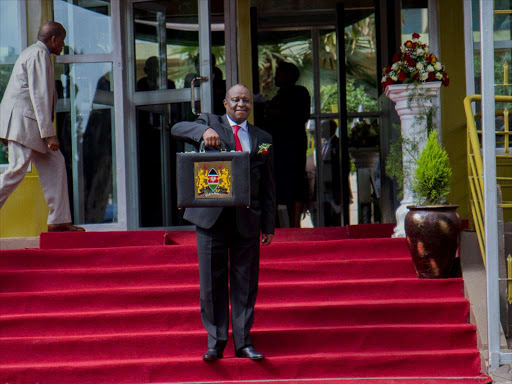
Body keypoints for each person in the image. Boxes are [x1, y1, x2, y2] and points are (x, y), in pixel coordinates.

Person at [171, 84, 275, 362]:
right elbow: (178, 128)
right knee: (211, 283)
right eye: (235, 99)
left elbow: (268, 184)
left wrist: (268, 224)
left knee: (246, 284)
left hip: (247, 220)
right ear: (225, 102)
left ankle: (243, 343)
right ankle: (215, 343)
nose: (241, 104)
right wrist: (203, 132)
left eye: (246, 100)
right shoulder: (210, 122)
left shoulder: (263, 138)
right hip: (211, 219)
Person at [0, 21, 84, 232]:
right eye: (62, 40)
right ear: (53, 39)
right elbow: (40, 96)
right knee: (16, 170)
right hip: (25, 125)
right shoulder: (39, 54)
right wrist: (49, 134)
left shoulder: (34, 53)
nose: (63, 45)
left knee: (56, 164)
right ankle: (58, 220)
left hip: (27, 125)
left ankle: (58, 220)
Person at [265, 61, 310, 227]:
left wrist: (272, 111)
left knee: (295, 181)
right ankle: (275, 224)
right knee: (276, 181)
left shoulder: (299, 92)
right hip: (277, 146)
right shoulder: (279, 95)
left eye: (280, 73)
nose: (276, 76)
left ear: (289, 76)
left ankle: (295, 222)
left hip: (293, 145)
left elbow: (297, 115)